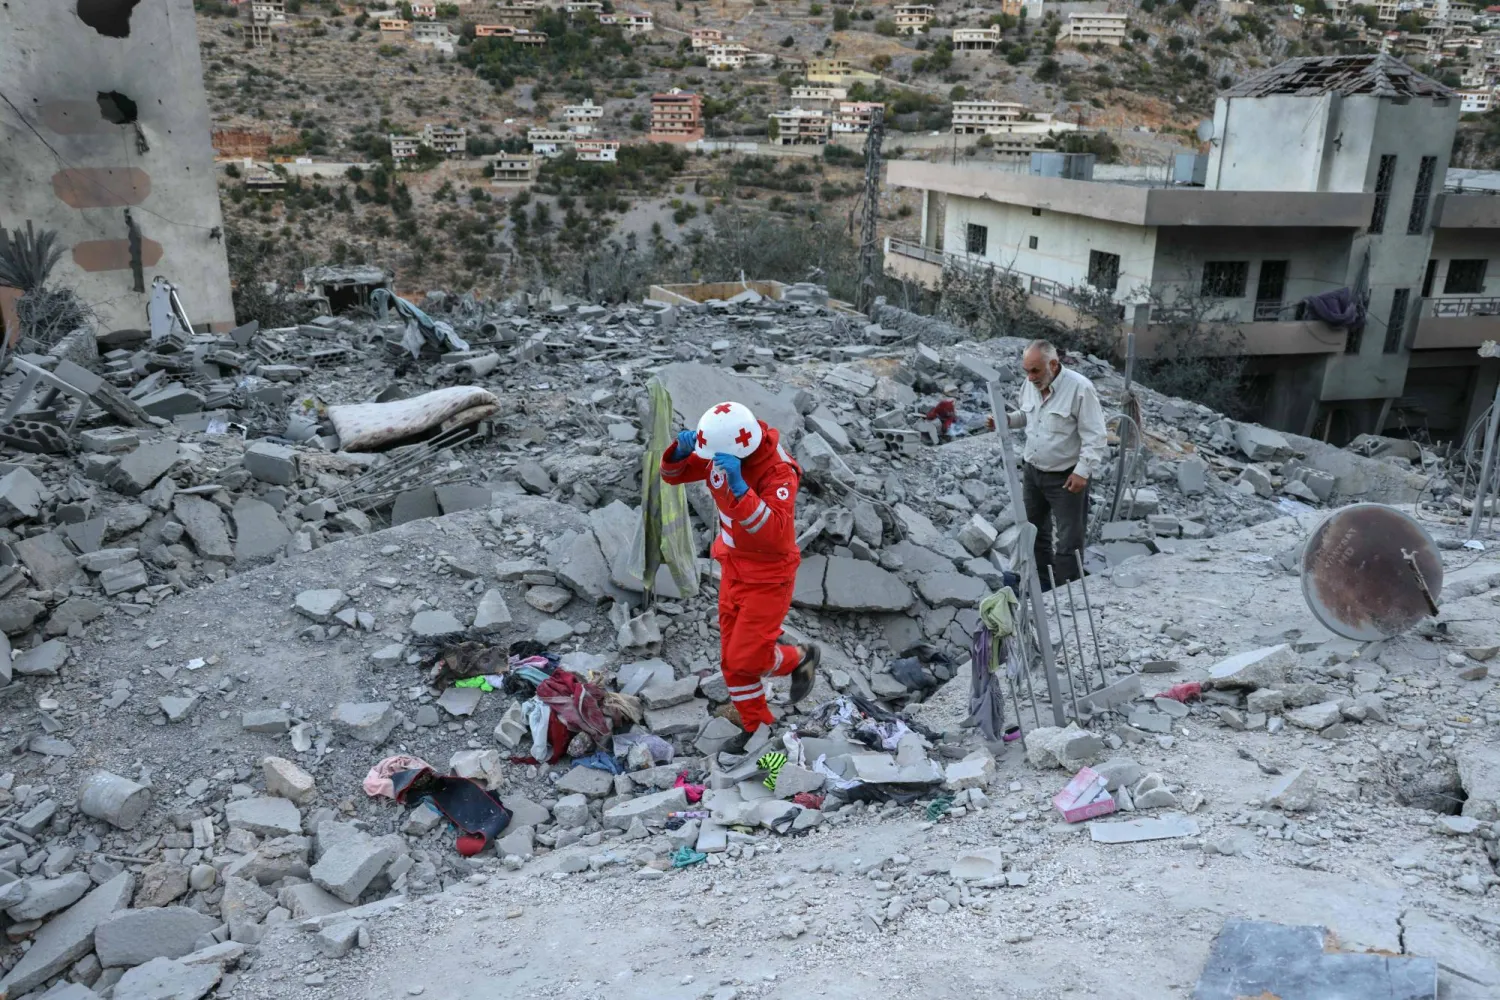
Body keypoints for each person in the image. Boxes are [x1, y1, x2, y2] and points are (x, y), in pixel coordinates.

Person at [660, 401, 820, 731]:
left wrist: (740, 487)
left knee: (743, 659)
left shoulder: (778, 471)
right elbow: (673, 476)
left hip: (768, 576)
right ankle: (758, 732)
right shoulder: (723, 448)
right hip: (733, 568)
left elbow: (775, 533)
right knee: (733, 664)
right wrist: (679, 451)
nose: (712, 465)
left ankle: (798, 657)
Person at [1006, 340, 1107, 588]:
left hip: (1067, 477)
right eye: (1026, 371)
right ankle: (1043, 586)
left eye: (1035, 371)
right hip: (1033, 472)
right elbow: (1027, 415)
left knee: (1069, 539)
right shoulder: (1030, 384)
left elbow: (1096, 435)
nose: (1030, 377)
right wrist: (1006, 420)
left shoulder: (1080, 389)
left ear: (1053, 364)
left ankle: (1066, 592)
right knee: (1034, 532)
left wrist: (1082, 472)